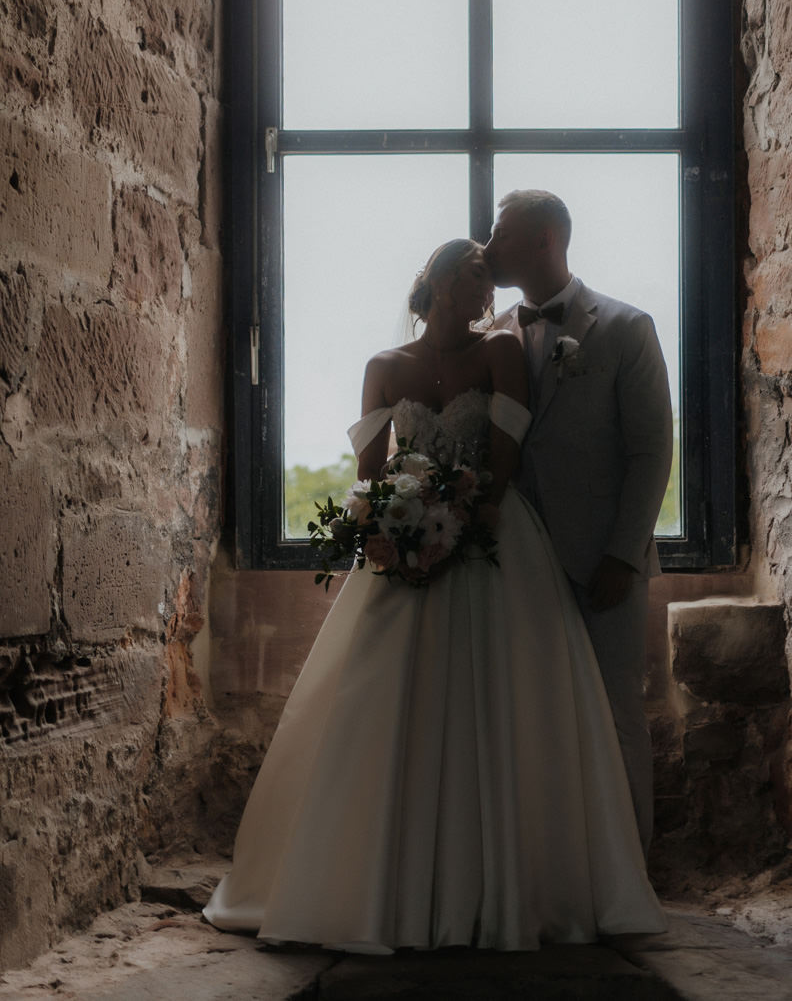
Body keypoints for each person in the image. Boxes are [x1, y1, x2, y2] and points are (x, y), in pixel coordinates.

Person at [204, 238, 665, 952]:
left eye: (491, 277)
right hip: (408, 544)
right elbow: (368, 472)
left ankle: (508, 888)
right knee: (383, 702)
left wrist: (462, 511)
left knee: (505, 702)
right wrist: (393, 519)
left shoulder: (499, 354)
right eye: (477, 273)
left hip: (494, 535)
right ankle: (374, 883)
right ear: (441, 278)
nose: (490, 286)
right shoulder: (384, 368)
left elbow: (506, 462)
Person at [484, 191, 674, 854]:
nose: (487, 244)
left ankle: (631, 870)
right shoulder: (494, 334)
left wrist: (623, 555)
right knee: (531, 716)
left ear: (542, 240)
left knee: (615, 711)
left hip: (602, 562)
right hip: (517, 560)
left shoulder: (625, 328)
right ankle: (550, 869)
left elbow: (652, 450)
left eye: (500, 233)